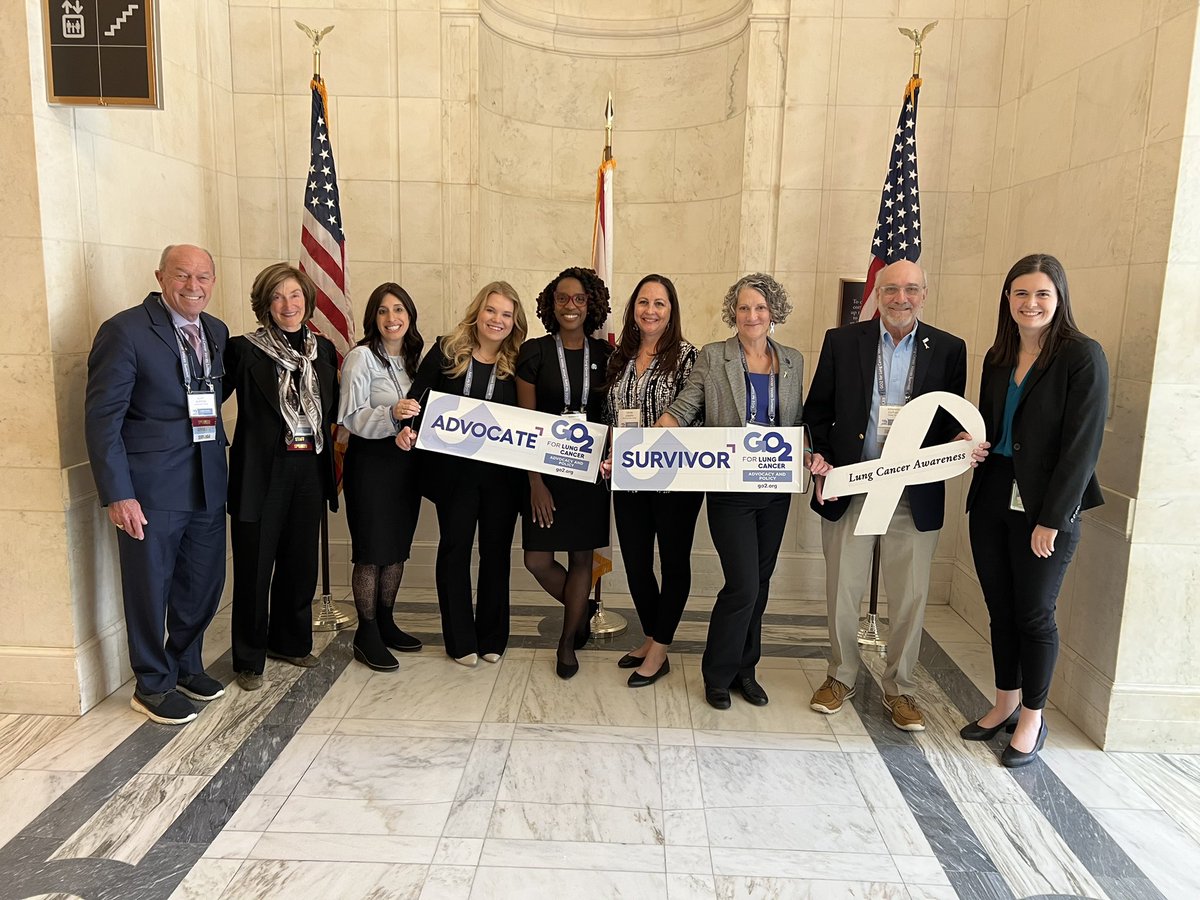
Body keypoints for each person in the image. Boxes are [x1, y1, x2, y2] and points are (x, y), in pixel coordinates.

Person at [804, 260, 968, 732]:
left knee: (911, 596)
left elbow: (950, 417)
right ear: (877, 293)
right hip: (852, 487)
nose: (901, 298)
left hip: (912, 492)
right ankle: (840, 677)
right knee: (842, 590)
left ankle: (901, 688)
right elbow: (817, 411)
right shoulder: (842, 342)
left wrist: (959, 441)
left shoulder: (949, 349)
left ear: (925, 293)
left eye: (911, 289)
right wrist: (822, 456)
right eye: (892, 289)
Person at [962, 253, 1107, 767]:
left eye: (1042, 293)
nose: (1031, 303)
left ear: (1059, 298)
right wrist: (971, 438)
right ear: (1008, 299)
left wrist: (1052, 518)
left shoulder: (1081, 356)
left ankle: (1032, 717)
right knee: (1000, 608)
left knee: (1034, 613)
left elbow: (1082, 447)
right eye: (1021, 293)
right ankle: (1004, 702)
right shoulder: (998, 356)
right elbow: (991, 424)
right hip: (992, 494)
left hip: (1045, 505)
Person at [84, 244, 229, 725]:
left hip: (207, 480)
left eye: (203, 277)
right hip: (150, 487)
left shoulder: (216, 330)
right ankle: (152, 683)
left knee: (203, 582)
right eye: (183, 276)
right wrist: (118, 492)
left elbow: (210, 395)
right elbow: (103, 420)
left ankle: (186, 664)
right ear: (161, 277)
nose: (194, 286)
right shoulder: (124, 331)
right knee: (149, 586)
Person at [658, 273, 804, 710]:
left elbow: (798, 422)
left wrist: (813, 454)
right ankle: (717, 674)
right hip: (730, 490)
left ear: (773, 312)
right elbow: (685, 408)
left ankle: (746, 670)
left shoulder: (793, 360)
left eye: (760, 307)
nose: (752, 315)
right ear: (733, 313)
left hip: (776, 488)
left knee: (759, 583)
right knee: (740, 584)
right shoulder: (714, 356)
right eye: (743, 308)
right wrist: (644, 448)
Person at [396, 282, 528, 666]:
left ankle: (492, 639)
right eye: (491, 311)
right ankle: (459, 640)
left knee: (496, 554)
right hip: (453, 474)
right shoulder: (446, 350)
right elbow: (418, 398)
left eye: (506, 314)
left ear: (514, 321)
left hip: (502, 476)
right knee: (455, 550)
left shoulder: (519, 361)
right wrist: (407, 427)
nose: (497, 320)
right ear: (478, 311)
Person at [224, 263, 339, 692]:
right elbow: (206, 398)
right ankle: (250, 658)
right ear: (265, 305)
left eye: (294, 295)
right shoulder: (243, 350)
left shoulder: (323, 351)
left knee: (300, 561)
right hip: (261, 472)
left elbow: (333, 409)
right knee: (255, 567)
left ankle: (290, 641)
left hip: (309, 467)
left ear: (307, 301)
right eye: (277, 296)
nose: (288, 305)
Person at [599, 275, 700, 688]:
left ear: (671, 310)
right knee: (637, 563)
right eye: (644, 302)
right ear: (633, 308)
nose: (651, 310)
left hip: (676, 479)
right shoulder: (617, 356)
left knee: (674, 563)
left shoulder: (690, 357)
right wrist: (607, 456)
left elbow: (697, 412)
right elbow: (608, 415)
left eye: (660, 303)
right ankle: (651, 636)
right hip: (627, 477)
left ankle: (659, 649)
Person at [516, 267, 612, 679]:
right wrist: (535, 482)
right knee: (537, 559)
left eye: (578, 299)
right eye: (561, 298)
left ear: (591, 304)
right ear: (550, 304)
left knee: (580, 559)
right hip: (546, 474)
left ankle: (567, 641)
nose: (569, 306)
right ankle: (582, 609)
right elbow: (527, 423)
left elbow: (612, 416)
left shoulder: (607, 355)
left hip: (591, 474)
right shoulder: (533, 352)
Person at [338, 283, 425, 671]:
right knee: (372, 551)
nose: (393, 318)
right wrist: (392, 417)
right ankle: (366, 632)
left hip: (406, 465)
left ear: (410, 315)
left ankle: (387, 622)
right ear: (374, 317)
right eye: (384, 311)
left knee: (396, 548)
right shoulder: (360, 358)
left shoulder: (413, 359)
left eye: (399, 310)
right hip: (371, 464)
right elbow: (351, 418)